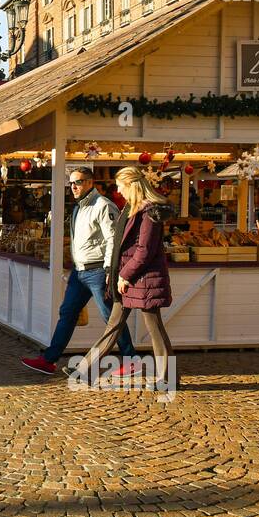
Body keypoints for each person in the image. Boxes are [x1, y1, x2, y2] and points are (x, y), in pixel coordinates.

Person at [22, 166, 135, 375]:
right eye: (71, 183)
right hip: (80, 272)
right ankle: (49, 360)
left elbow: (113, 239)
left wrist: (110, 268)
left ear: (91, 182)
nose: (73, 186)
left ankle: (131, 359)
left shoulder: (103, 205)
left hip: (99, 271)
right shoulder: (78, 207)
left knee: (110, 316)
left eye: (79, 182)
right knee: (67, 313)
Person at [72, 165, 175, 389]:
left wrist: (124, 275)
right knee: (113, 326)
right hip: (127, 277)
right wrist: (115, 273)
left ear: (131, 185)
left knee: (154, 327)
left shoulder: (149, 212)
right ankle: (85, 371)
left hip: (142, 278)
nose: (118, 191)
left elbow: (144, 250)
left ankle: (167, 378)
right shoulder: (131, 208)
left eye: (120, 186)